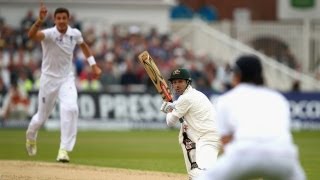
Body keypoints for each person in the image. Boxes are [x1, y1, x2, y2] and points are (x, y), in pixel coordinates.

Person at [197, 55, 305, 180]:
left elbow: (226, 142)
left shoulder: (225, 100)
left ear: (239, 74)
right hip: (284, 157)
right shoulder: (278, 99)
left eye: (234, 73)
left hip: (244, 154)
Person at [25, 2, 102, 163]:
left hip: (66, 78)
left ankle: (63, 150)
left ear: (68, 19)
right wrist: (39, 20)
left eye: (64, 18)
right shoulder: (49, 33)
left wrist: (93, 65)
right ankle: (31, 136)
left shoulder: (74, 33)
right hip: (48, 79)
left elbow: (84, 46)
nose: (61, 21)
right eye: (58, 18)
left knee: (71, 108)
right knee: (41, 117)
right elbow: (31, 35)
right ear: (54, 19)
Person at [160, 68, 220, 179]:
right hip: (207, 136)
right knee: (200, 171)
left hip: (207, 139)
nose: (177, 85)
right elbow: (181, 105)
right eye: (174, 82)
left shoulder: (185, 99)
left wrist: (168, 111)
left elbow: (170, 122)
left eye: (180, 82)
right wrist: (172, 106)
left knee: (202, 173)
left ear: (188, 82)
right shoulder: (196, 94)